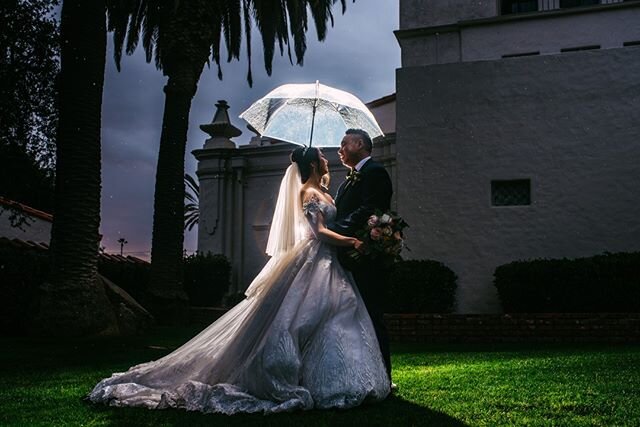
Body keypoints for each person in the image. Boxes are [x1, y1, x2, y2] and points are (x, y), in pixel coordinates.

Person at [87, 146, 390, 415]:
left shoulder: (326, 191)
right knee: (301, 317)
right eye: (321, 157)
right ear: (312, 164)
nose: (327, 159)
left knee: (336, 314)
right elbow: (319, 232)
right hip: (315, 257)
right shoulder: (308, 194)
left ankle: (341, 378)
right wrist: (351, 241)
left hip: (329, 262)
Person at [327, 129, 394, 385]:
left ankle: (383, 378)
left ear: (360, 144)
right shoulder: (347, 180)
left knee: (372, 316)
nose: (340, 149)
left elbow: (370, 209)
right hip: (349, 257)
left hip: (366, 259)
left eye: (344, 143)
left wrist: (334, 231)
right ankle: (363, 375)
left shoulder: (375, 172)